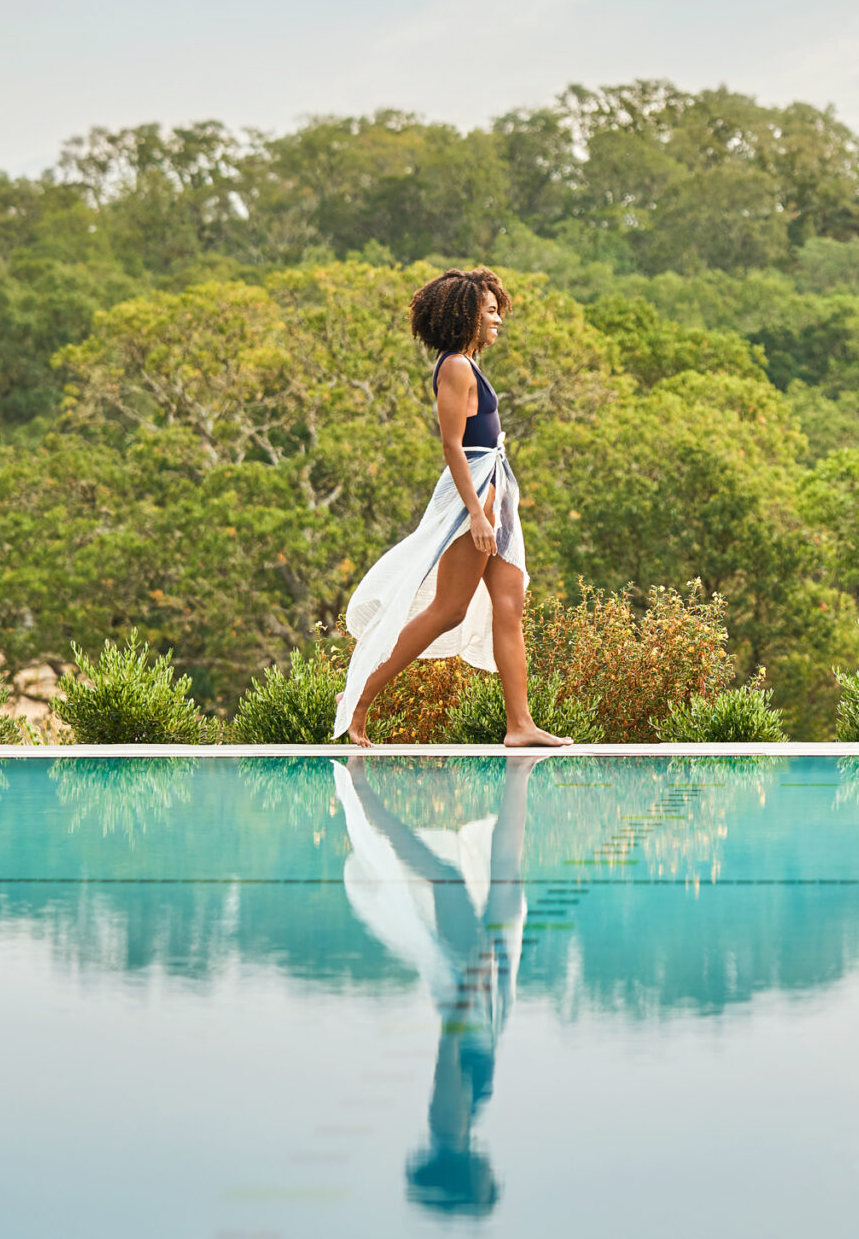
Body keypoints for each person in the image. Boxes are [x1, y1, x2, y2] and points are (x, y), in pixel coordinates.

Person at [336, 267, 570, 748]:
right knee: (448, 610)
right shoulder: (455, 368)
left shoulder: (466, 363)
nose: (498, 319)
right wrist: (479, 514)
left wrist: (496, 507)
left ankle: (519, 725)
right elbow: (453, 447)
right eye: (489, 312)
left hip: (494, 492)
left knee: (509, 607)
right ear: (466, 315)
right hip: (475, 497)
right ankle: (358, 700)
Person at [335, 753, 534, 1216]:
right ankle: (517, 777)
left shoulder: (448, 1130)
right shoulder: (458, 1132)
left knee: (451, 879)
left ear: (465, 1180)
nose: (494, 1180)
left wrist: (470, 979)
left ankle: (370, 804)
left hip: (471, 993)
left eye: (486, 1189)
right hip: (480, 1000)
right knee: (497, 875)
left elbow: (449, 1052)